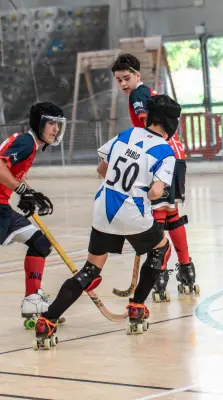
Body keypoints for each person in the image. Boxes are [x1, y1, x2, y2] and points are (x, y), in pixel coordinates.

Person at [33, 95, 181, 347]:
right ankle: (136, 307)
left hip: (103, 210)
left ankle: (47, 320)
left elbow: (101, 170)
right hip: (134, 214)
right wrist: (154, 192)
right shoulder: (166, 152)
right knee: (161, 249)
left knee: (90, 270)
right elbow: (156, 193)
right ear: (169, 122)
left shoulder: (125, 134)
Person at [110, 53, 196, 302]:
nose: (124, 84)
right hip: (175, 157)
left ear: (137, 75)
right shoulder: (149, 91)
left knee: (157, 218)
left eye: (127, 78)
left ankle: (158, 273)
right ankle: (187, 270)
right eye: (119, 80)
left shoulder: (138, 95)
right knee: (172, 215)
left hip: (160, 158)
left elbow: (151, 128)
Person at [0, 103, 65, 329]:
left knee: (40, 242)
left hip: (3, 207)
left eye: (58, 124)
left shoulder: (28, 143)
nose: (55, 128)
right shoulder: (26, 142)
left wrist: (30, 192)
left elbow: (12, 172)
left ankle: (32, 300)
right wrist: (21, 190)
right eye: (51, 123)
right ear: (39, 123)